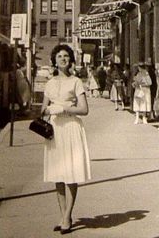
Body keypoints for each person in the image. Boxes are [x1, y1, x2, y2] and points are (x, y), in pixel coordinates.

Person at [41, 44, 91, 234]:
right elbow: (42, 109)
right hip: (55, 130)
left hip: (70, 127)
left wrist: (64, 108)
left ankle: (67, 215)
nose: (63, 59)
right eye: (59, 56)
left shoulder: (75, 81)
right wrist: (49, 109)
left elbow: (84, 109)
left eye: (66, 56)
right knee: (58, 174)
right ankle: (64, 215)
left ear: (70, 60)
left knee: (71, 173)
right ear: (54, 60)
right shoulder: (50, 83)